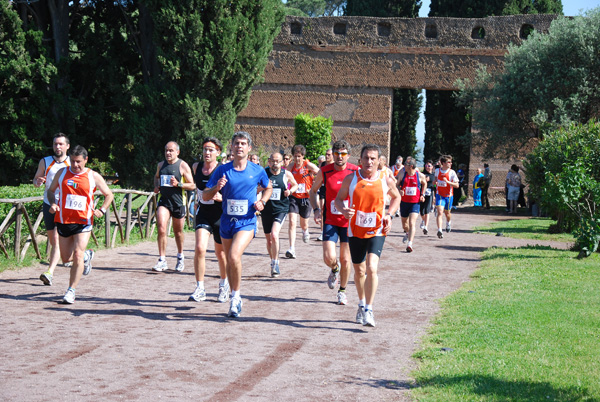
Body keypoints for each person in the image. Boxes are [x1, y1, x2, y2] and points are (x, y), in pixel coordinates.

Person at [203, 131, 272, 318]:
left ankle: (236, 297)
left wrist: (263, 202)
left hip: (247, 222)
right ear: (231, 147)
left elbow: (269, 187)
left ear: (249, 148)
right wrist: (217, 187)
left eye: (243, 143)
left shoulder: (257, 170)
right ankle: (232, 291)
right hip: (226, 221)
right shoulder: (222, 170)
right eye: (236, 143)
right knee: (228, 261)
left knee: (234, 255)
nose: (239, 146)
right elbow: (205, 195)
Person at [335, 144, 400, 327]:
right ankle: (362, 303)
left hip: (377, 230)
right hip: (355, 230)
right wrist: (344, 210)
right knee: (359, 271)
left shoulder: (385, 180)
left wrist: (389, 214)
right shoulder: (350, 179)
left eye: (373, 158)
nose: (369, 161)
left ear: (379, 161)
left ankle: (369, 309)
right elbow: (338, 200)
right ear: (360, 160)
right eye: (366, 158)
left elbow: (397, 197)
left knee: (372, 268)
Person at [46, 145, 114, 304]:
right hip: (63, 220)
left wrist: (102, 210)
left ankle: (71, 290)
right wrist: (53, 203)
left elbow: (108, 194)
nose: (75, 165)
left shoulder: (93, 176)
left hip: (84, 221)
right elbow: (51, 190)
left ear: (86, 160)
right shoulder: (62, 173)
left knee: (77, 254)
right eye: (72, 161)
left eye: (78, 162)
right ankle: (87, 256)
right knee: (66, 258)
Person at [309, 140, 358, 305]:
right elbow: (313, 191)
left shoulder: (355, 171)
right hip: (330, 219)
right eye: (337, 153)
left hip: (348, 222)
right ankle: (334, 269)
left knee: (345, 259)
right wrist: (316, 209)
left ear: (348, 155)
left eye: (343, 154)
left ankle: (342, 291)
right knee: (329, 257)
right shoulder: (325, 171)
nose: (339, 157)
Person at [189, 137, 229, 303]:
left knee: (220, 253)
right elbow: (196, 188)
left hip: (220, 214)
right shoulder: (196, 167)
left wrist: (222, 198)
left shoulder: (223, 170)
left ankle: (224, 285)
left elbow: (232, 193)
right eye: (205, 149)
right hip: (203, 212)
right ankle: (200, 288)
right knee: (199, 248)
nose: (207, 152)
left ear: (218, 152)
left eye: (211, 149)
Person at [33, 134, 76, 286]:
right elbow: (36, 180)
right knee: (53, 240)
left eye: (61, 144)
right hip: (48, 204)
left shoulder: (72, 162)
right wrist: (37, 181)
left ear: (67, 146)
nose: (58, 147)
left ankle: (49, 272)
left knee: (58, 239)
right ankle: (81, 256)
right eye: (55, 144)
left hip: (66, 206)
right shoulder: (45, 161)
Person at [152, 141, 195, 272]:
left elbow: (192, 185)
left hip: (178, 203)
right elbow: (156, 177)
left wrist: (179, 184)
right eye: (166, 150)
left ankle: (180, 256)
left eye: (171, 150)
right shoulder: (161, 165)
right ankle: (162, 260)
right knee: (161, 227)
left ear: (177, 152)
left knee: (178, 232)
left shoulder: (182, 165)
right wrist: (156, 186)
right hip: (164, 202)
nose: (168, 153)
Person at [261, 152, 298, 277]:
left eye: (278, 161)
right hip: (266, 209)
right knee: (269, 240)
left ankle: (275, 262)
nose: (275, 164)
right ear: (269, 161)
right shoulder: (264, 173)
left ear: (282, 162)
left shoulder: (286, 174)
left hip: (281, 209)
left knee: (274, 234)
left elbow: (295, 185)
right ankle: (272, 260)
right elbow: (255, 187)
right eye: (273, 161)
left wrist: (290, 191)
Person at [285, 144, 319, 259]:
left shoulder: (308, 165)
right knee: (292, 222)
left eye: (299, 156)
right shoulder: (290, 167)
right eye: (295, 156)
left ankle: (305, 231)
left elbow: (320, 173)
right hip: (293, 197)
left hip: (305, 198)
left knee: (303, 223)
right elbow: (283, 176)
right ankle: (291, 248)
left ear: (303, 156)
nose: (297, 159)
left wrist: (314, 183)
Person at [398, 157, 427, 252]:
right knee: (404, 224)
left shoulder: (420, 175)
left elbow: (424, 183)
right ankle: (406, 232)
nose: (403, 166)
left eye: (405, 164)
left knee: (412, 223)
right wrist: (399, 190)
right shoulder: (402, 173)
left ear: (410, 166)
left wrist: (422, 194)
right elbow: (397, 184)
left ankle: (410, 244)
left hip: (415, 203)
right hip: (404, 202)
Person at [434, 155, 460, 239]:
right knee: (440, 212)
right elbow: (435, 180)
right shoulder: (437, 171)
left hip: (448, 196)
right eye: (449, 162)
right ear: (443, 163)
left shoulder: (452, 172)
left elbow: (457, 185)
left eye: (451, 162)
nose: (450, 163)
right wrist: (435, 182)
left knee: (447, 213)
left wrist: (448, 182)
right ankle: (440, 230)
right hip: (439, 195)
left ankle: (448, 223)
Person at [419, 160, 436, 234]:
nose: (427, 167)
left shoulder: (434, 175)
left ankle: (426, 226)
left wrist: (435, 195)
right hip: (422, 193)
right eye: (426, 166)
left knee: (427, 210)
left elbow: (435, 186)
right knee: (421, 211)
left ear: (432, 167)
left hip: (430, 193)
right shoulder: (422, 174)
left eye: (429, 166)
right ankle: (423, 220)